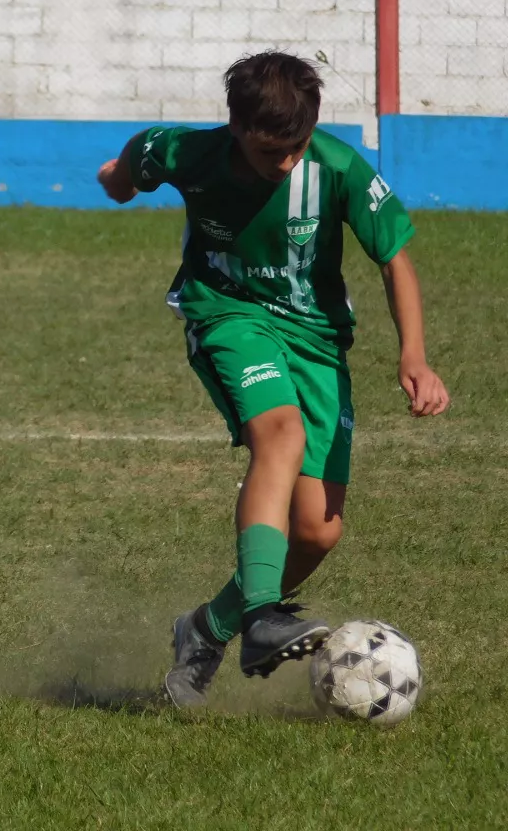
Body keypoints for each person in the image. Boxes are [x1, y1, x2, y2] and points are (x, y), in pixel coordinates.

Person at [95, 51, 449, 707]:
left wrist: (415, 357)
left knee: (318, 529)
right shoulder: (189, 153)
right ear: (235, 128)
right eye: (267, 152)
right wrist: (117, 178)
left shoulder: (338, 168)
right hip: (227, 313)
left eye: (294, 149)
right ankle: (261, 615)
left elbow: (395, 258)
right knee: (279, 436)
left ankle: (208, 627)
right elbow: (137, 157)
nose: (283, 164)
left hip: (317, 343)